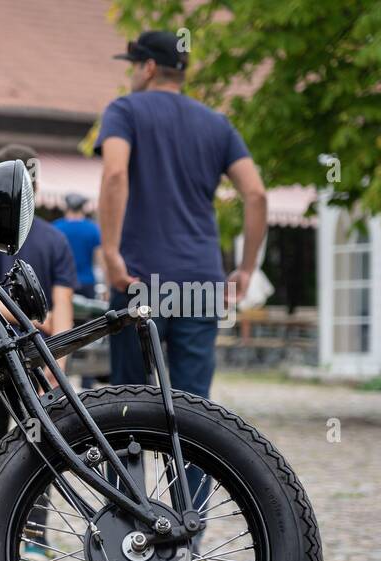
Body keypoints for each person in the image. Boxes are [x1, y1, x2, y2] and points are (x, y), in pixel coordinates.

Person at [97, 29, 267, 401]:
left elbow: (114, 173)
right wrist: (246, 267)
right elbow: (255, 194)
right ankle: (191, 462)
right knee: (195, 413)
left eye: (134, 67)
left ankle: (130, 462)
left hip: (139, 279)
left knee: (128, 405)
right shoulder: (217, 125)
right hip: (200, 284)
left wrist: (110, 251)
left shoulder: (124, 111)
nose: (131, 76)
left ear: (149, 67)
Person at [0, 146, 77, 561]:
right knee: (39, 440)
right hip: (37, 356)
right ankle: (34, 535)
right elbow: (63, 312)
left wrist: (5, 310)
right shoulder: (56, 240)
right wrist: (60, 363)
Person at [53, 193, 102, 298]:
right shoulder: (93, 229)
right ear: (82, 208)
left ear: (66, 207)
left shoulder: (55, 228)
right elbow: (100, 259)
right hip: (87, 282)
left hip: (62, 283)